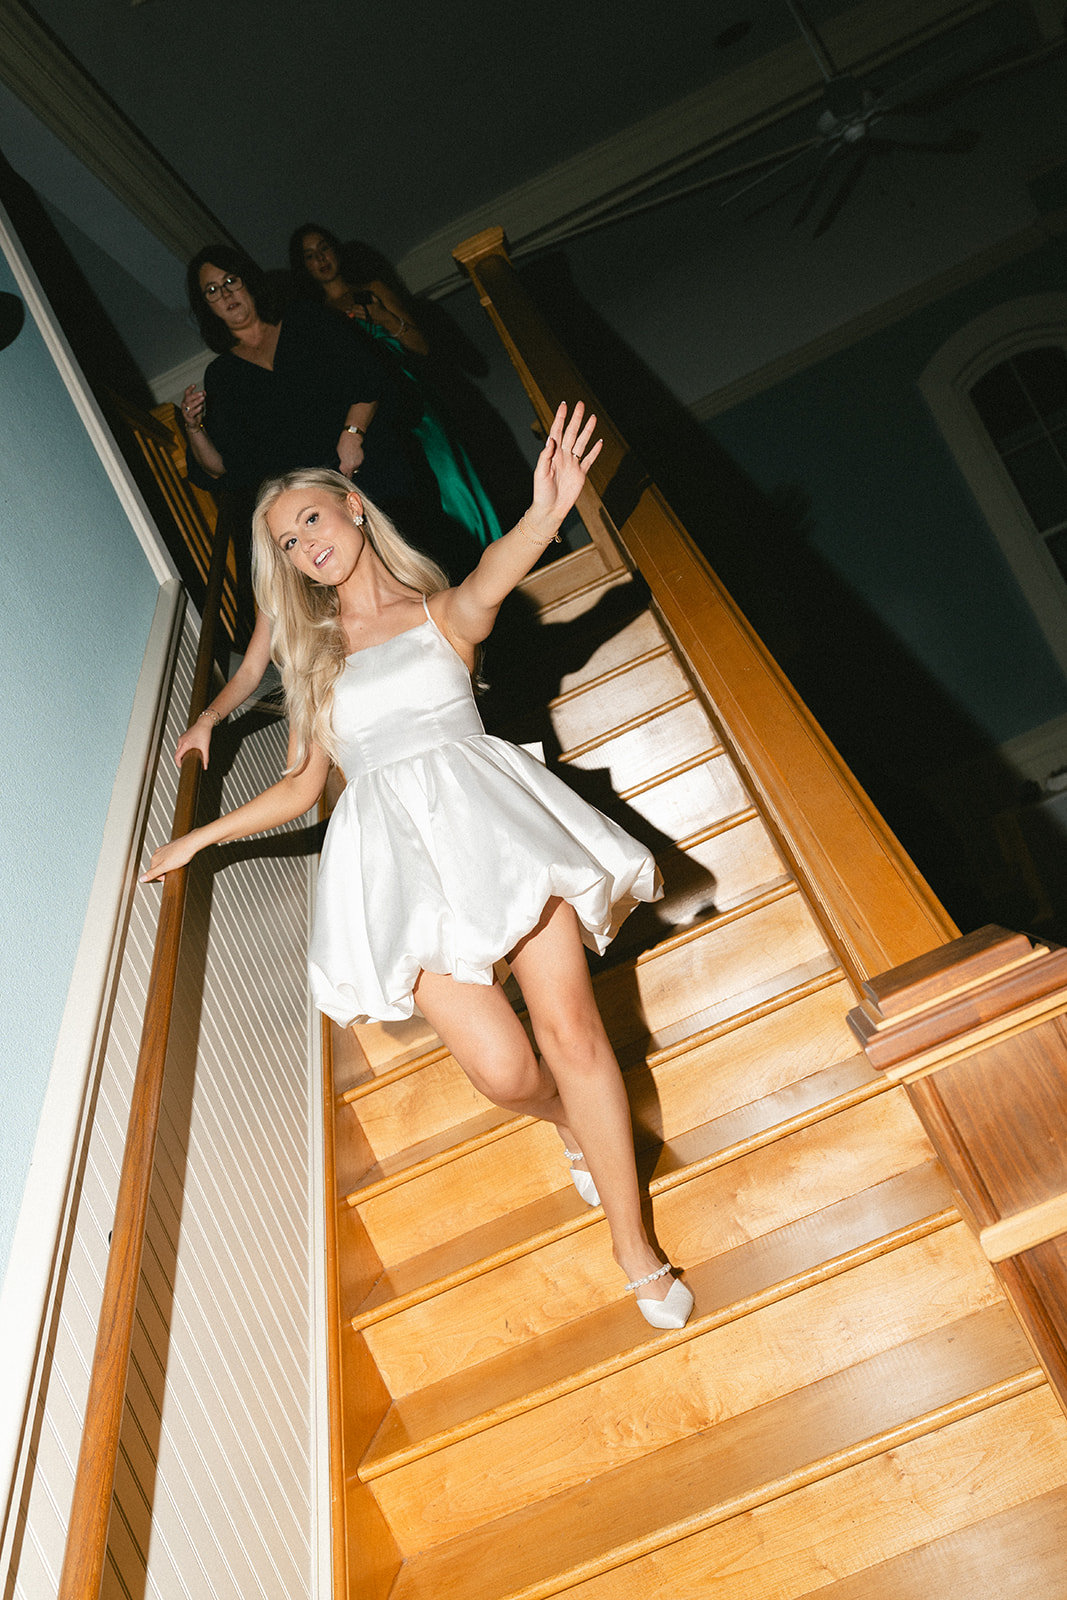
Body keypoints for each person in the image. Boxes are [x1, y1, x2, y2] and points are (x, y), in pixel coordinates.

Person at [143, 403, 693, 1330]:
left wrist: (543, 510)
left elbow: (490, 581)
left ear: (354, 508)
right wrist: (199, 839)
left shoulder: (439, 613)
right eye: (283, 540)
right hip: (397, 868)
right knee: (505, 1072)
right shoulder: (313, 663)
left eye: (310, 517)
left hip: (498, 831)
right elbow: (301, 785)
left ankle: (632, 1247)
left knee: (571, 1035)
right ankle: (573, 1126)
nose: (301, 542)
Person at [288, 222, 503, 557]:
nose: (321, 259)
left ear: (337, 250)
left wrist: (384, 318)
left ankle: (488, 552)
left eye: (324, 248)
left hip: (413, 399)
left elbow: (422, 346)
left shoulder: (372, 290)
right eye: (310, 256)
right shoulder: (315, 318)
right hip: (373, 416)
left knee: (449, 476)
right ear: (304, 267)